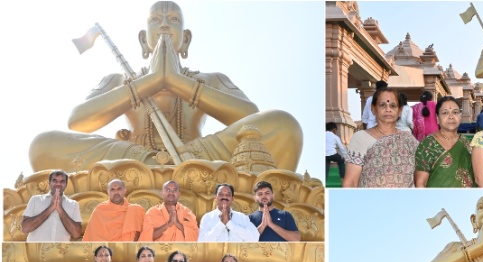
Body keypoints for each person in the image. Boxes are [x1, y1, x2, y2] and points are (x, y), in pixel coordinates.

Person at [29, 1, 303, 173]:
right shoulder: (118, 80)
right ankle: (170, 169)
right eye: (155, 20)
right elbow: (78, 121)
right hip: (130, 162)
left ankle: (183, 167)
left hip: (201, 155)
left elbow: (249, 117)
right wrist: (149, 82)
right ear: (142, 39)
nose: (163, 26)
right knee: (43, 146)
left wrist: (177, 82)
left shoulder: (210, 78)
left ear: (185, 39)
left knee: (283, 124)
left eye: (172, 20)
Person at [343, 87, 419, 187]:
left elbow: (420, 177)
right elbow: (350, 182)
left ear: (399, 110)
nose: (388, 109)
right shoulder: (361, 138)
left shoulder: (409, 140)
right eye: (383, 105)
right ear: (374, 109)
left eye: (393, 105)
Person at [415, 96, 475, 187]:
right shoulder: (428, 144)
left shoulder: (466, 142)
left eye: (455, 112)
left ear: (460, 116)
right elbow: (420, 184)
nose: (451, 116)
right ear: (437, 118)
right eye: (445, 113)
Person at [21, 170, 82, 242]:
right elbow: (25, 228)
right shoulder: (35, 200)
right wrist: (50, 208)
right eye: (55, 181)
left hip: (59, 251)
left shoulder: (73, 204)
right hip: (36, 250)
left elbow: (76, 234)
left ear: (66, 184)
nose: (58, 184)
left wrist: (60, 210)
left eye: (62, 181)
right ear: (49, 183)